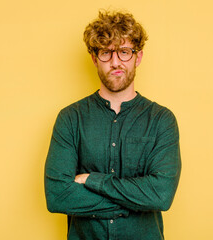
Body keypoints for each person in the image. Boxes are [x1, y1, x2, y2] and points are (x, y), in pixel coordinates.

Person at [44, 10, 181, 240]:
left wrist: (90, 180)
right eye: (106, 52)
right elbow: (58, 195)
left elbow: (161, 194)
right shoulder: (70, 118)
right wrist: (135, 202)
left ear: (138, 57)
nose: (115, 62)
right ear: (94, 58)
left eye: (124, 52)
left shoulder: (161, 120)